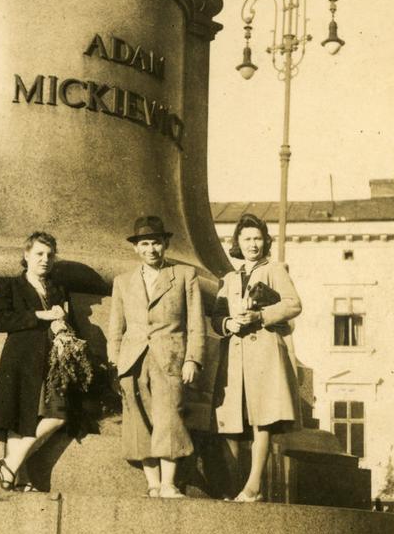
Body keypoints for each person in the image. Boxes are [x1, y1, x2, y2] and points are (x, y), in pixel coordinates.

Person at [108, 215, 206, 498]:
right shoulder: (122, 282)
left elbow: (196, 322)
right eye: (145, 244)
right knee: (137, 419)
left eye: (156, 243)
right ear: (136, 248)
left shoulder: (185, 276)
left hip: (170, 357)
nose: (151, 249)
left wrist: (192, 359)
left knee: (169, 417)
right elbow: (116, 326)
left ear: (165, 245)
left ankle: (168, 483)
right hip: (132, 359)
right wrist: (116, 362)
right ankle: (152, 483)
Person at [212, 213, 302, 502]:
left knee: (261, 419)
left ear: (265, 242)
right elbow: (217, 316)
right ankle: (233, 486)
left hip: (264, 352)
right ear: (237, 242)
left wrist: (260, 315)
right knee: (231, 421)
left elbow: (293, 304)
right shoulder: (228, 279)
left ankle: (254, 486)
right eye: (247, 238)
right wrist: (228, 324)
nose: (253, 244)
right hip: (235, 356)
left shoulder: (274, 270)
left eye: (258, 238)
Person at [0, 231, 70, 491]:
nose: (45, 260)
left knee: (57, 417)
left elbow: (68, 322)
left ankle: (9, 465)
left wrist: (62, 327)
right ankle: (21, 479)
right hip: (20, 359)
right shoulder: (9, 286)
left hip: (52, 362)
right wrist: (41, 315)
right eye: (39, 254)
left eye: (50, 255)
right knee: (18, 419)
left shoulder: (58, 290)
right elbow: (1, 321)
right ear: (26, 255)